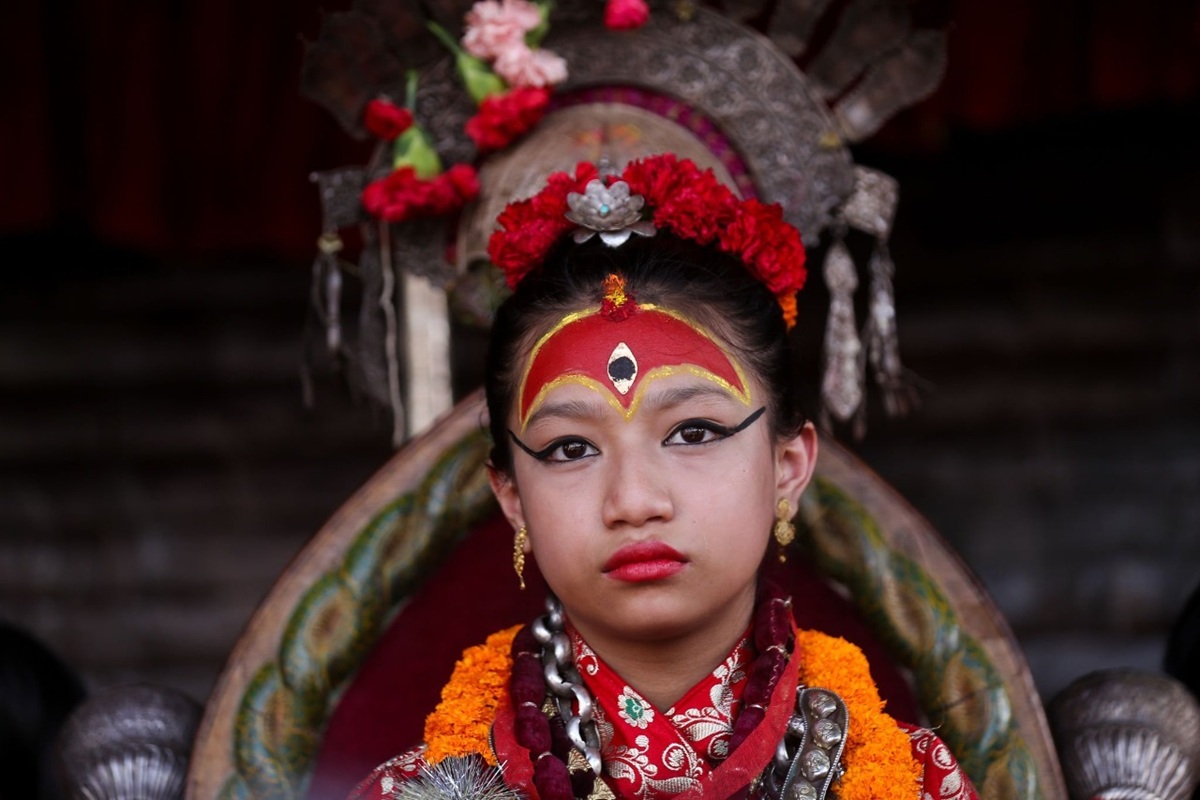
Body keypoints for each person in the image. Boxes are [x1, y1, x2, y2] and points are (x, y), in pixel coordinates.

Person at [345, 156, 979, 800]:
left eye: (694, 433)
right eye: (570, 448)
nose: (634, 501)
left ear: (787, 466)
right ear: (511, 498)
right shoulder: (420, 791)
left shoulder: (914, 781)